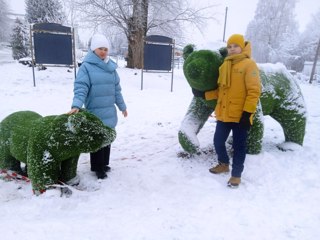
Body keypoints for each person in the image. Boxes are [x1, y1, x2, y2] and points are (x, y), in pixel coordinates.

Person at [68, 33, 128, 179]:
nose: (103, 51)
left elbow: (117, 90)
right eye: (100, 48)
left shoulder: (111, 68)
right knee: (97, 139)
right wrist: (76, 104)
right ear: (93, 49)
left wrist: (122, 107)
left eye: (105, 49)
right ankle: (97, 167)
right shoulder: (86, 67)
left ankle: (104, 163)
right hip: (94, 111)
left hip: (109, 110)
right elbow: (81, 87)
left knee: (107, 138)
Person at [208, 34, 261, 188]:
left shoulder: (249, 65)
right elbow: (221, 91)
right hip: (224, 114)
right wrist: (205, 94)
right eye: (229, 47)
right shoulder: (225, 65)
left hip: (241, 117)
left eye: (235, 46)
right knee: (218, 141)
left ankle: (236, 175)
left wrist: (247, 113)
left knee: (239, 147)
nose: (232, 49)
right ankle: (223, 164)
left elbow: (254, 91)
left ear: (242, 47)